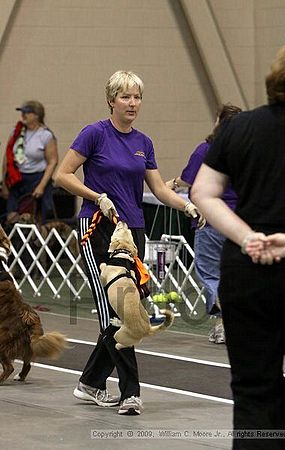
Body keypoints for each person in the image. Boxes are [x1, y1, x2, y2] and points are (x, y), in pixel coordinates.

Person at [55, 70, 203, 415]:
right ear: (111, 100)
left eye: (137, 97)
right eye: (125, 96)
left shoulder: (144, 143)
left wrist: (189, 203)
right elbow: (62, 175)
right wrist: (97, 196)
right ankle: (130, 392)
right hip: (97, 227)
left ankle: (90, 382)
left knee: (124, 309)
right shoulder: (94, 134)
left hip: (133, 231)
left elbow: (160, 189)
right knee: (121, 310)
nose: (132, 103)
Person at [191, 37, 285, 449]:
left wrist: (247, 236)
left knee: (253, 393)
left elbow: (203, 192)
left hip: (247, 272)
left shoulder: (239, 128)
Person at [166, 104, 242, 344]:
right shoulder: (248, 151)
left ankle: (226, 322)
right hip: (239, 223)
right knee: (237, 275)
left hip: (210, 221)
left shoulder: (206, 150)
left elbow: (189, 179)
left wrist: (173, 184)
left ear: (218, 122)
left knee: (211, 275)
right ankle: (229, 323)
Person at [1, 100, 58, 224]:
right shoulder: (16, 132)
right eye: (22, 112)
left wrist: (41, 186)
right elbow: (7, 157)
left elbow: (52, 161)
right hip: (18, 179)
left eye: (26, 112)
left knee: (38, 216)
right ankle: (15, 241)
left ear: (36, 115)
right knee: (11, 215)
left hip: (37, 178)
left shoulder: (45, 135)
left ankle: (37, 242)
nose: (23, 115)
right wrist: (5, 183)